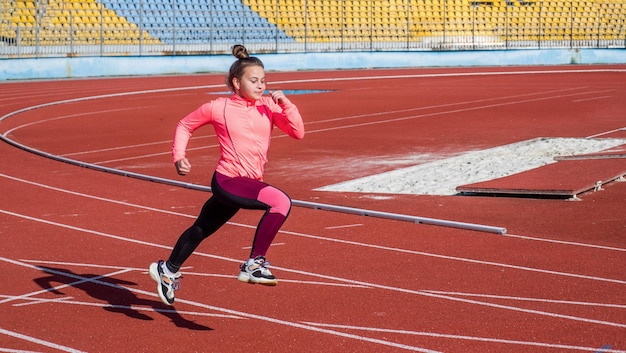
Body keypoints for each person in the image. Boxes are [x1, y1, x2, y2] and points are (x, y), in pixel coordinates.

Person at [149, 44, 305, 306]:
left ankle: (168, 270)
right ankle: (255, 262)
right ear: (236, 82)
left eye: (263, 81)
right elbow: (185, 125)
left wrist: (287, 105)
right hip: (227, 181)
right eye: (253, 81)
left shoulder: (269, 106)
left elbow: (297, 132)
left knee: (201, 229)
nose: (260, 86)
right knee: (280, 202)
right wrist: (179, 156)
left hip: (246, 183)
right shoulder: (218, 107)